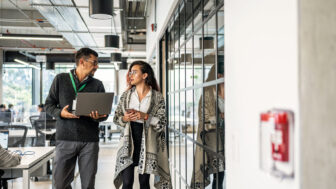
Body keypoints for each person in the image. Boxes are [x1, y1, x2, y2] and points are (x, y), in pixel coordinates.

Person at [45, 48, 108, 189]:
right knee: (60, 183)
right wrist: (61, 113)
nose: (97, 66)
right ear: (81, 62)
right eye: (94, 63)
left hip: (89, 141)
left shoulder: (97, 84)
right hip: (65, 138)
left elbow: (104, 115)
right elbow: (48, 105)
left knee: (88, 184)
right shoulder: (61, 79)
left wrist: (97, 117)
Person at [113, 61, 171, 189]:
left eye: (134, 72)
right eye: (130, 72)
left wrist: (145, 116)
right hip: (129, 141)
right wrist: (125, 117)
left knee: (144, 183)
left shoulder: (157, 97)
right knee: (127, 182)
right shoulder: (126, 95)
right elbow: (116, 118)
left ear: (144, 75)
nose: (130, 75)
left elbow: (162, 122)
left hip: (148, 142)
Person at [192, 63, 225, 189]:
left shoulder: (230, 90)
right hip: (212, 137)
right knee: (218, 173)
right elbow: (203, 115)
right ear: (219, 75)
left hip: (228, 135)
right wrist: (219, 116)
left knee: (222, 173)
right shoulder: (208, 92)